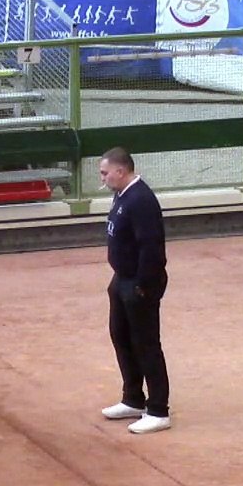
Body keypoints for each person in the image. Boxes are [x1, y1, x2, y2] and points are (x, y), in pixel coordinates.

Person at [97, 147, 172, 434]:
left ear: (120, 171)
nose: (103, 178)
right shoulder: (122, 195)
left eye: (105, 173)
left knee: (146, 344)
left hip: (139, 284)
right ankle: (133, 399)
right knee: (122, 337)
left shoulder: (141, 200)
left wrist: (143, 285)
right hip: (122, 279)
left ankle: (158, 410)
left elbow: (151, 248)